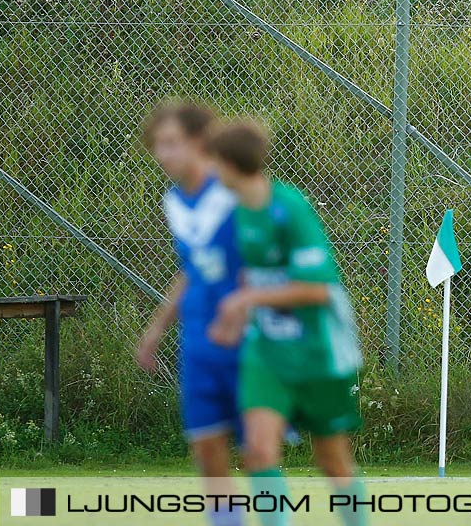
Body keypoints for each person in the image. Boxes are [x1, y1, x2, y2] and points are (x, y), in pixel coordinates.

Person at [205, 119, 367, 526]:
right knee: (258, 452)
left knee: (331, 460)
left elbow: (316, 290)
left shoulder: (290, 208)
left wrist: (248, 297)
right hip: (267, 353)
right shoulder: (231, 217)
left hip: (317, 352)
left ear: (229, 162)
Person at [135, 103, 246, 526]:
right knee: (208, 451)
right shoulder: (175, 202)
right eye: (157, 146)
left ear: (199, 141)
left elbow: (262, 259)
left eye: (171, 143)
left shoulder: (235, 191)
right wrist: (155, 329)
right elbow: (192, 270)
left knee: (258, 451)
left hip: (248, 337)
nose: (162, 154)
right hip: (199, 339)